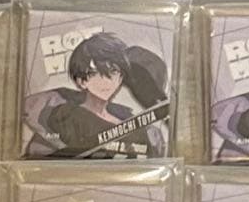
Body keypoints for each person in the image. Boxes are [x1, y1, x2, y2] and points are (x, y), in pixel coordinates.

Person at [24, 32, 164, 158]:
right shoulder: (60, 118)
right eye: (96, 73)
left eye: (113, 72)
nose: (107, 81)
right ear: (81, 81)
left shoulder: (136, 126)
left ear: (121, 77)